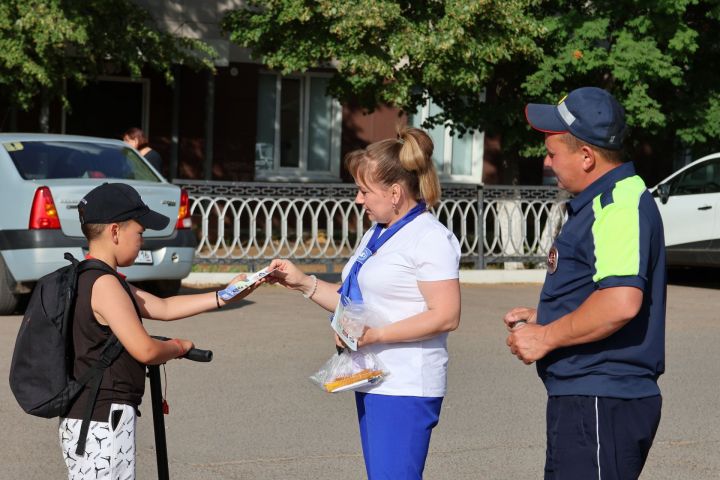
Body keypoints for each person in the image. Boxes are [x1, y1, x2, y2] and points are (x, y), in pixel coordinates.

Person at [269, 126, 461, 479]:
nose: (358, 200)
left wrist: (374, 335)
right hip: (373, 377)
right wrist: (302, 282)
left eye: (364, 191)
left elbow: (446, 316)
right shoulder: (379, 231)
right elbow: (349, 295)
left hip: (406, 385)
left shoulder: (430, 238)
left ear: (394, 192)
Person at [504, 87, 666, 479]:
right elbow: (603, 290)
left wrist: (546, 336)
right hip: (592, 397)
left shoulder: (616, 206)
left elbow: (620, 301)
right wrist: (547, 312)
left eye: (553, 153)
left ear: (587, 156)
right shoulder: (607, 200)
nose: (546, 161)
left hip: (600, 397)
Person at [59, 182, 257, 480]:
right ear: (115, 231)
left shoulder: (90, 275)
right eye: (139, 233)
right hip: (101, 419)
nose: (142, 241)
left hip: (88, 416)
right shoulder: (106, 285)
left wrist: (224, 295)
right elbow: (146, 350)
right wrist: (179, 347)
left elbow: (163, 307)